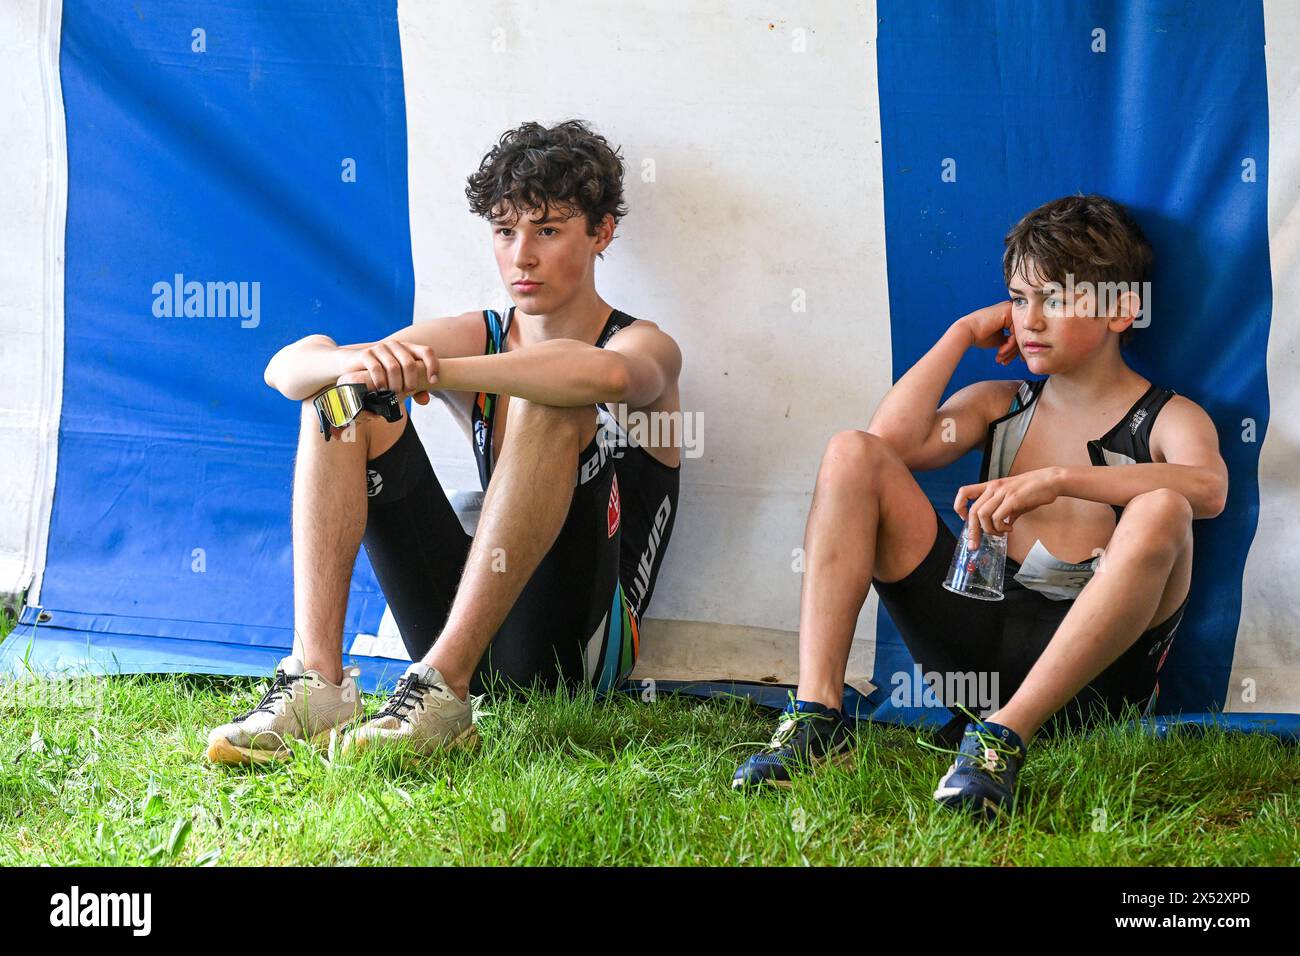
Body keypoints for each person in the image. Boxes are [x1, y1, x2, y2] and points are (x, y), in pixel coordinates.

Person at [732, 194, 1228, 819]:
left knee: (1163, 507)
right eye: (1020, 299)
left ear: (1121, 310)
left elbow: (1208, 489)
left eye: (1056, 298)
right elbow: (888, 448)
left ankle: (1003, 737)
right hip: (979, 646)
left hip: (1091, 682)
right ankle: (816, 716)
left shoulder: (1167, 416)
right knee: (850, 452)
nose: (1031, 321)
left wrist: (1056, 480)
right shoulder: (1002, 401)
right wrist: (960, 334)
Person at [206, 119, 683, 765]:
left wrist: (433, 370)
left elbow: (602, 375)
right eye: (505, 230)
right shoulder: (480, 331)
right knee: (343, 403)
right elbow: (288, 371)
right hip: (464, 625)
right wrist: (353, 366)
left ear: (601, 233)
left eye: (548, 230)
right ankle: (316, 682)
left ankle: (447, 692)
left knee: (553, 402)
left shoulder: (643, 342)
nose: (523, 256)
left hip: (575, 650)